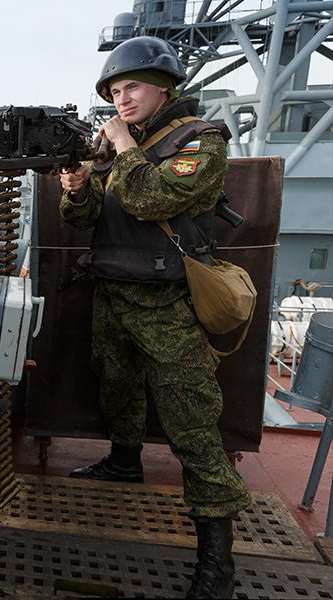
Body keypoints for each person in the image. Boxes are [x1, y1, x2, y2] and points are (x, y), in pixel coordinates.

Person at [57, 36, 251, 599]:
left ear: (164, 87)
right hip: (113, 296)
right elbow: (86, 217)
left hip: (168, 306)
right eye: (115, 91)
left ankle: (217, 560)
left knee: (191, 422)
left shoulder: (202, 141)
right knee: (116, 387)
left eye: (132, 86)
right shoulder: (121, 147)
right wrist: (76, 189)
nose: (122, 99)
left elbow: (155, 200)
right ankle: (123, 461)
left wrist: (120, 147)